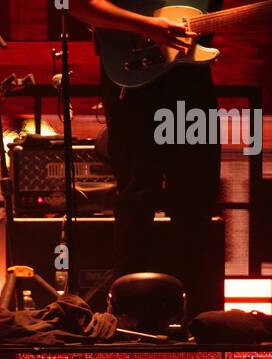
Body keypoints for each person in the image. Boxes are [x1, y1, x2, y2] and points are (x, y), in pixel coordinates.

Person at [72, 0, 224, 317]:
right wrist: (147, 26)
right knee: (137, 194)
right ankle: (129, 313)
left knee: (198, 196)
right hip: (133, 81)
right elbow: (77, 5)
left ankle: (197, 314)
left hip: (192, 79)